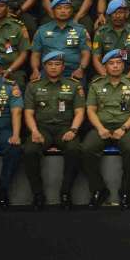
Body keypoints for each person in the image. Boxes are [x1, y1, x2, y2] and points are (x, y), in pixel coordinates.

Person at [82, 49, 130, 209]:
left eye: (119, 63)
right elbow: (90, 110)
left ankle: (125, 191)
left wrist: (123, 128)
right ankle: (98, 189)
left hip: (126, 127)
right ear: (105, 66)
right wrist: (100, 128)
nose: (115, 66)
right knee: (86, 148)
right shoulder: (96, 84)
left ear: (123, 65)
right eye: (111, 63)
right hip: (101, 127)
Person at [23, 51, 85, 210]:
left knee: (74, 149)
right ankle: (38, 194)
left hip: (65, 128)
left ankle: (65, 193)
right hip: (41, 128)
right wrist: (34, 131)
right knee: (29, 150)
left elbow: (80, 112)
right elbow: (28, 113)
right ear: (44, 67)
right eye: (50, 64)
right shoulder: (33, 86)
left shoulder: (74, 85)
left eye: (57, 64)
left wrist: (73, 130)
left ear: (63, 67)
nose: (53, 68)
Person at [31, 0, 91, 81]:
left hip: (73, 72)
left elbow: (86, 53)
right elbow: (35, 54)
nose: (63, 11)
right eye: (59, 8)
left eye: (67, 8)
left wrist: (81, 69)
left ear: (71, 11)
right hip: (48, 72)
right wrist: (35, 70)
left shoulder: (80, 30)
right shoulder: (42, 30)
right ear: (53, 11)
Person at [0, 53, 22, 210]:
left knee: (14, 148)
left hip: (1, 130)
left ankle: (2, 189)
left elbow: (16, 112)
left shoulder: (10, 87)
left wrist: (16, 134)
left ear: (0, 70)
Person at [91, 0, 130, 80]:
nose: (117, 16)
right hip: (106, 74)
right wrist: (107, 77)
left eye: (120, 12)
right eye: (114, 13)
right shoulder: (101, 32)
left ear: (126, 14)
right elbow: (96, 59)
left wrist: (127, 78)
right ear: (109, 15)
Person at [0, 0, 31, 89]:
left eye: (0, 6)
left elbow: (24, 53)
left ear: (7, 7)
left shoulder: (18, 26)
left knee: (19, 83)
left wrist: (9, 70)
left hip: (12, 68)